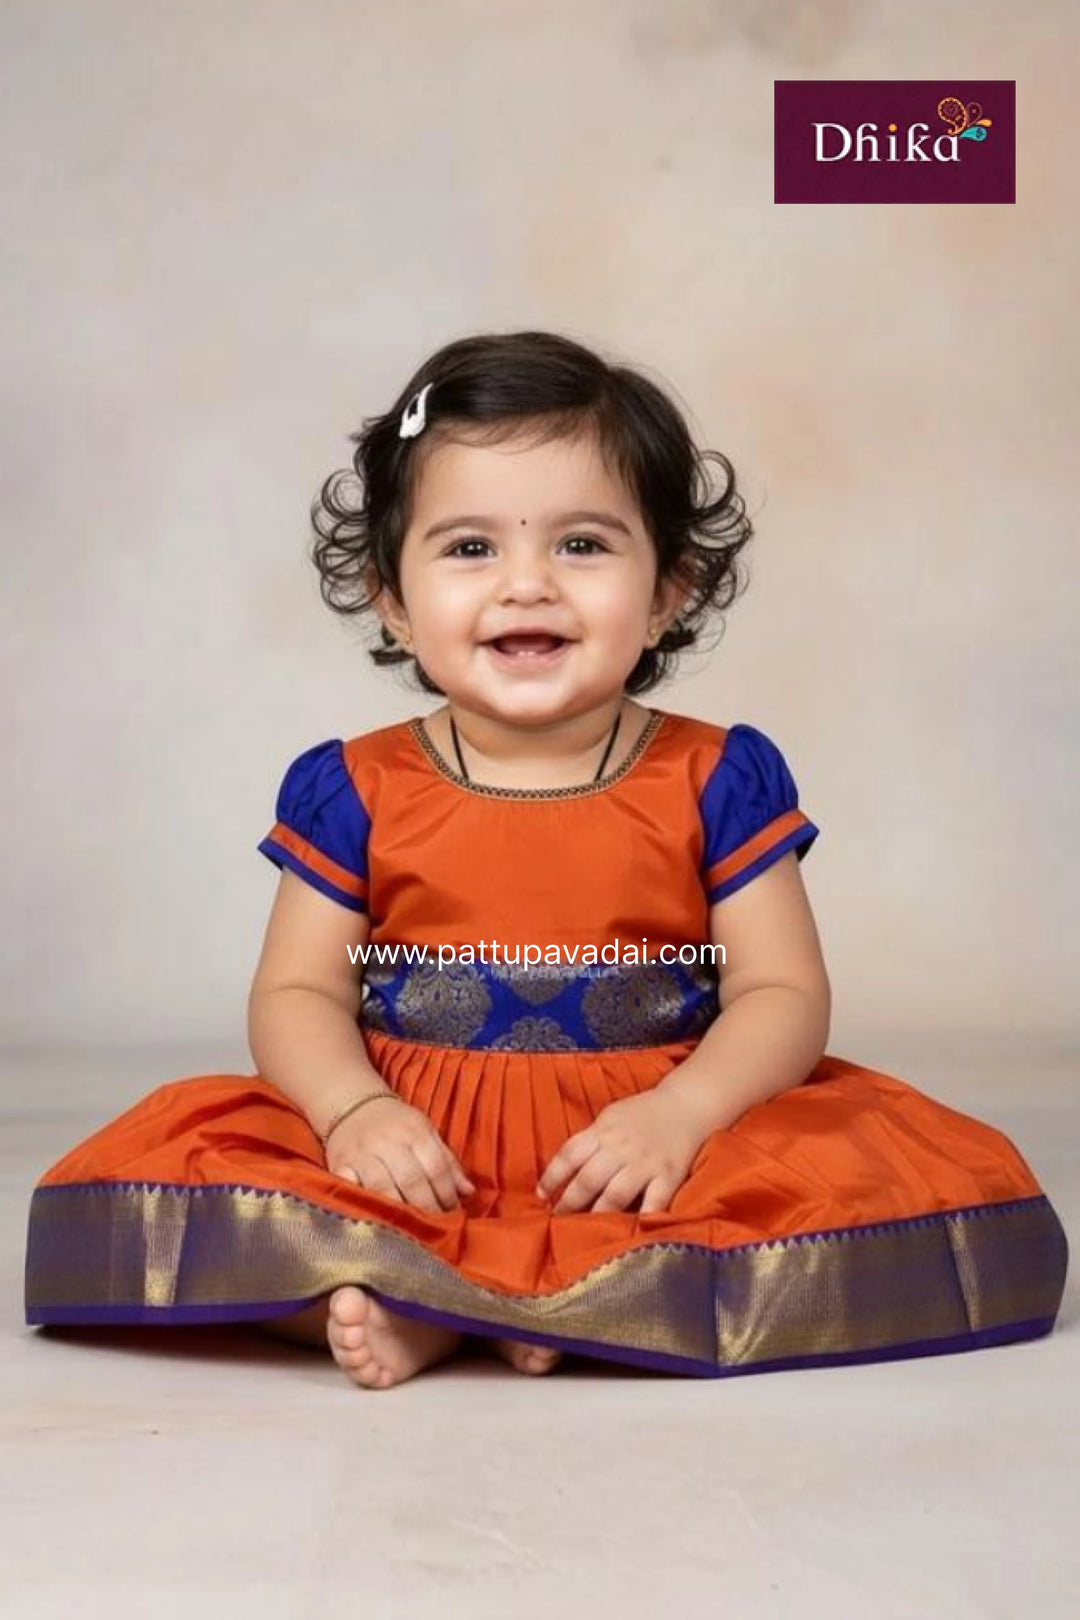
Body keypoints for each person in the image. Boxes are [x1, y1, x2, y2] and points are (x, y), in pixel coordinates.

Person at [24, 330, 1068, 1390]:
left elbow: (782, 989)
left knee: (844, 1190)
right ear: (392, 594)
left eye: (582, 544)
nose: (527, 585)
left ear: (669, 590)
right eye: (470, 548)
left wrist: (683, 1114)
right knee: (223, 1198)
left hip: (636, 1151)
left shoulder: (714, 777)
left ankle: (514, 1299)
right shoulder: (358, 786)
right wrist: (354, 1112)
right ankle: (488, 1306)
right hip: (416, 1150)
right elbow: (297, 989)